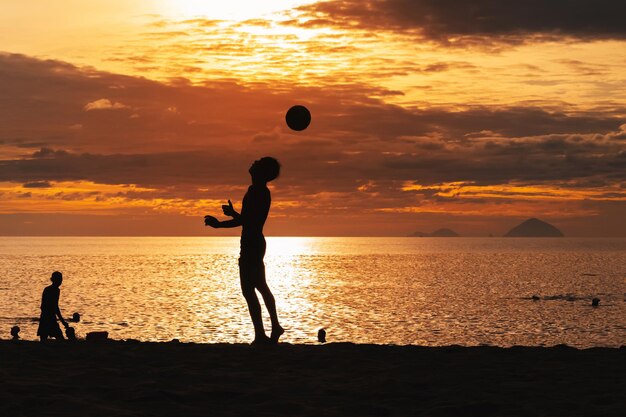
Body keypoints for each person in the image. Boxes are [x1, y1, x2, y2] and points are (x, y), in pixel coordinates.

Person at [205, 157, 285, 345]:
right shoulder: (254, 190)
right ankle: (269, 329)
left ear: (262, 172)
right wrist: (233, 214)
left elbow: (248, 222)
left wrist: (219, 225)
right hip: (251, 242)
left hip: (253, 243)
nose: (254, 162)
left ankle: (263, 333)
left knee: (251, 289)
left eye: (258, 162)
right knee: (257, 287)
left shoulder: (260, 192)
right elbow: (247, 219)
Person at [37, 271, 69, 342]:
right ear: (54, 280)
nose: (61, 281)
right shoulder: (53, 290)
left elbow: (51, 306)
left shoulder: (51, 289)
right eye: (59, 279)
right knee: (59, 338)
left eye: (61, 279)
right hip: (49, 317)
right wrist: (62, 321)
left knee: (44, 338)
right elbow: (54, 306)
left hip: (46, 316)